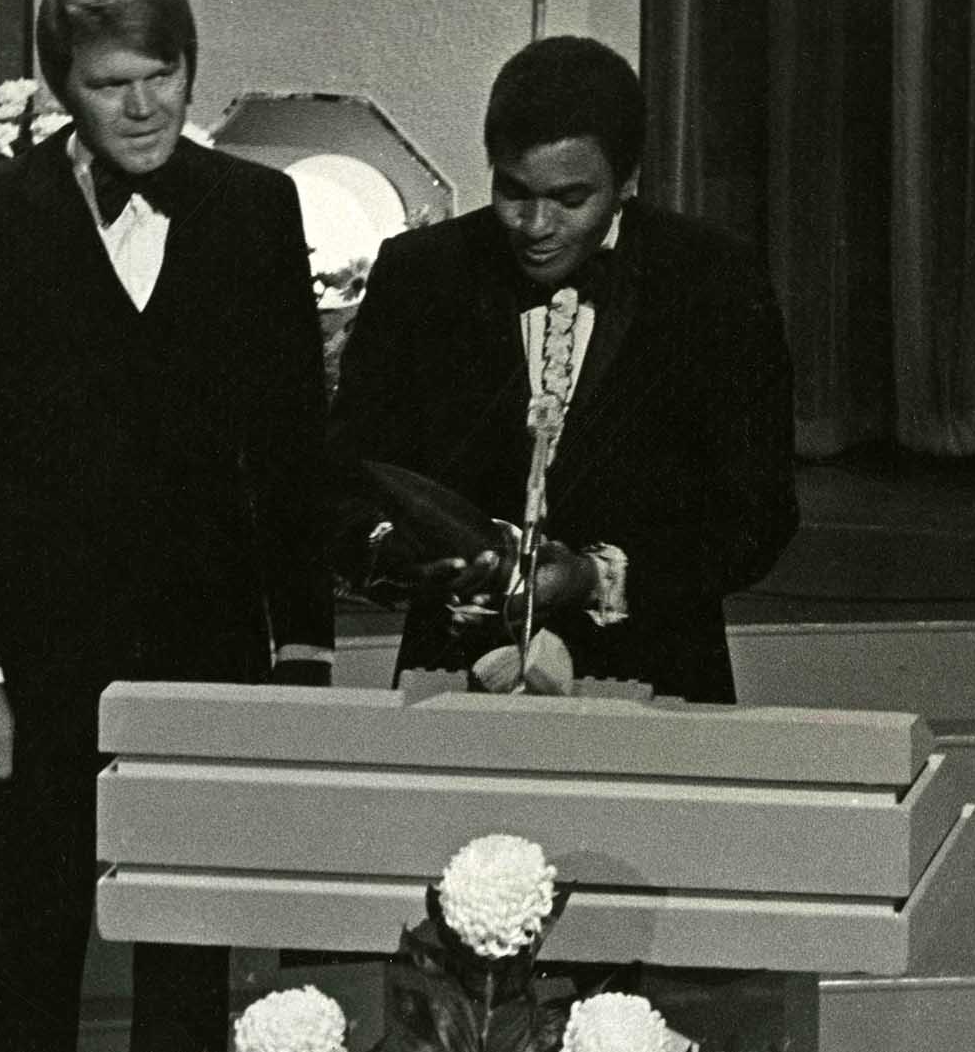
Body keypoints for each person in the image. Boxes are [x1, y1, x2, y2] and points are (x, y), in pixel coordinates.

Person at [0, 0, 333, 1052]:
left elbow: (288, 451)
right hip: (33, 665)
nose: (143, 106)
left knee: (192, 957)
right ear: (61, 87)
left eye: (164, 73)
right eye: (110, 82)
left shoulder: (256, 210)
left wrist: (304, 656)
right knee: (33, 951)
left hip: (207, 649)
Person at [330, 36, 797, 704]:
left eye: (570, 198)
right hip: (451, 688)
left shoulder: (714, 281)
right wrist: (412, 564)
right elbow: (349, 481)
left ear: (629, 178)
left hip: (660, 683)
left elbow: (759, 515)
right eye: (513, 191)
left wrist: (596, 576)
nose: (536, 224)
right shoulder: (419, 273)